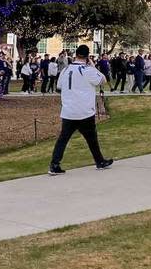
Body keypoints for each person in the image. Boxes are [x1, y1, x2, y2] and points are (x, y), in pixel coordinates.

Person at [48, 45, 113, 174]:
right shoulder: (87, 70)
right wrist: (93, 66)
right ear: (88, 56)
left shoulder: (66, 70)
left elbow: (59, 86)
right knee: (91, 138)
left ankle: (54, 164)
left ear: (76, 54)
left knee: (63, 139)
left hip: (68, 110)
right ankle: (99, 161)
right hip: (84, 110)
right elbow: (103, 80)